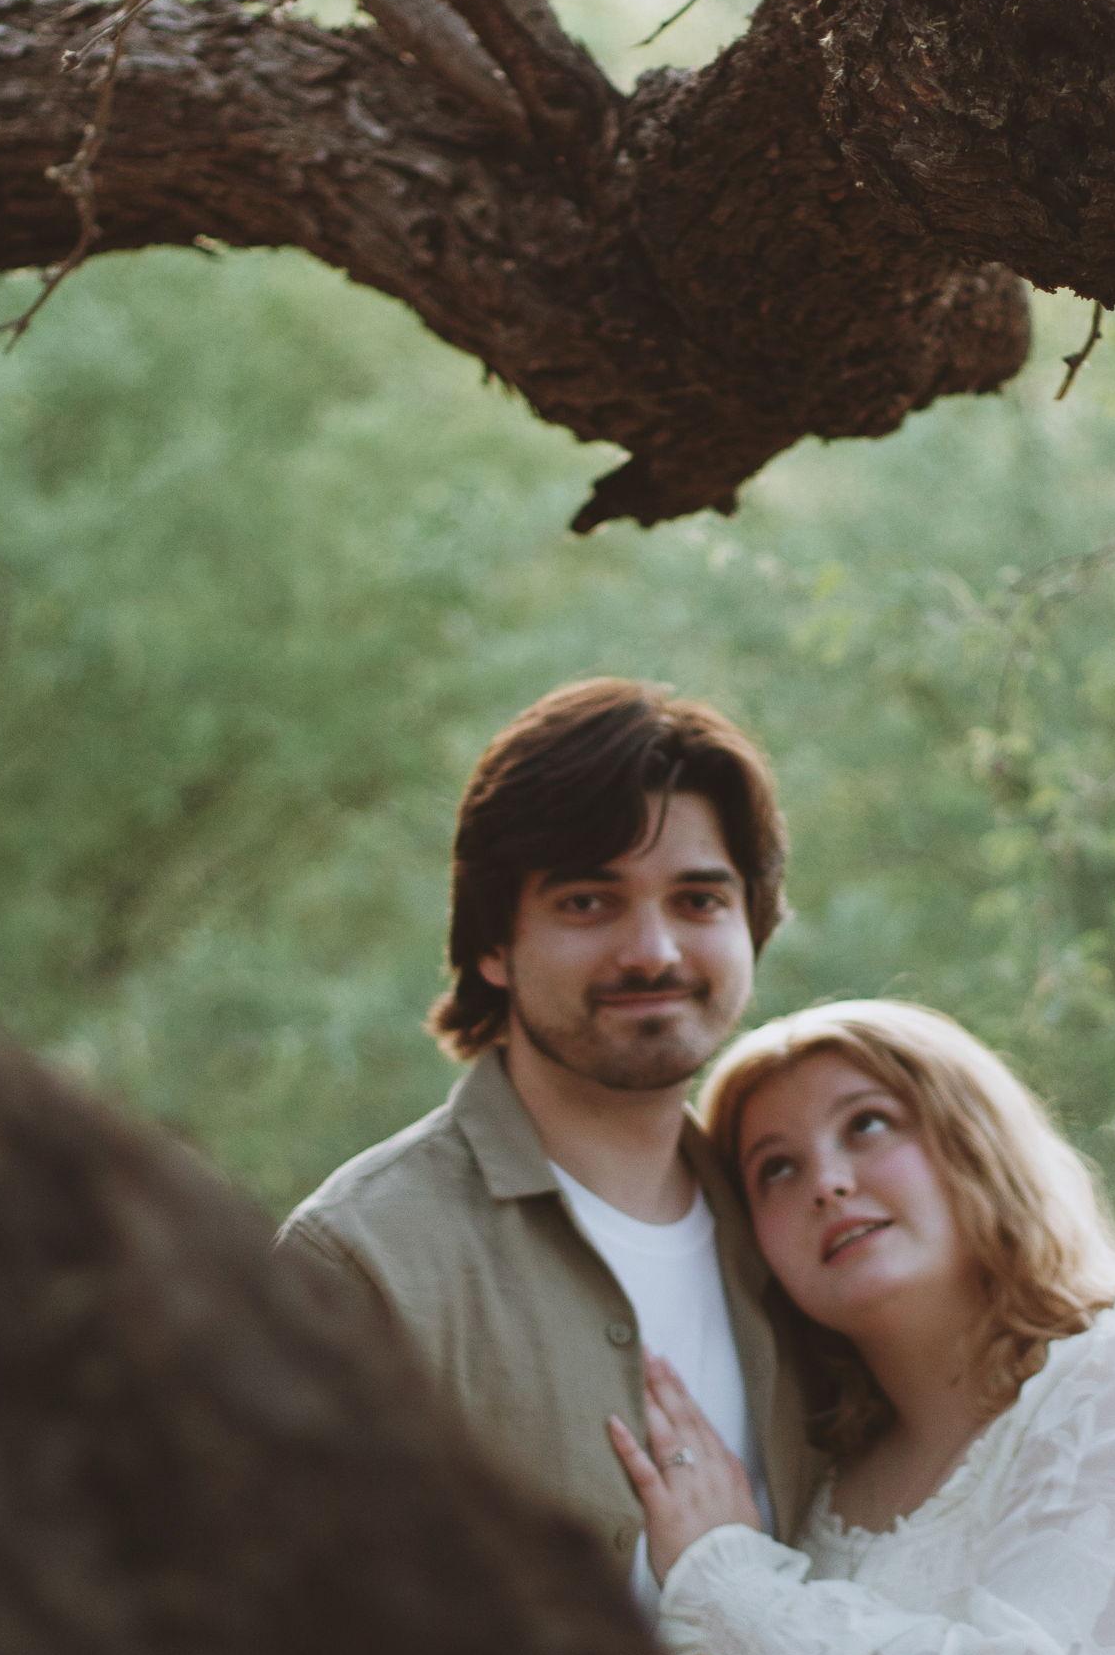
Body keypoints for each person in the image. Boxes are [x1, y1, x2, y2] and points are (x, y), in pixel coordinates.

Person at [606, 1001, 1115, 1655]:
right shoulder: (816, 1479)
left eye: (867, 1126)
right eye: (776, 1170)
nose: (829, 1182)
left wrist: (726, 1579)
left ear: (973, 1138)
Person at [278, 680, 817, 1605]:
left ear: (751, 927)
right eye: (587, 903)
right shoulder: (366, 1260)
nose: (652, 952)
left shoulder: (808, 1234)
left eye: (697, 900)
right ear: (494, 941)